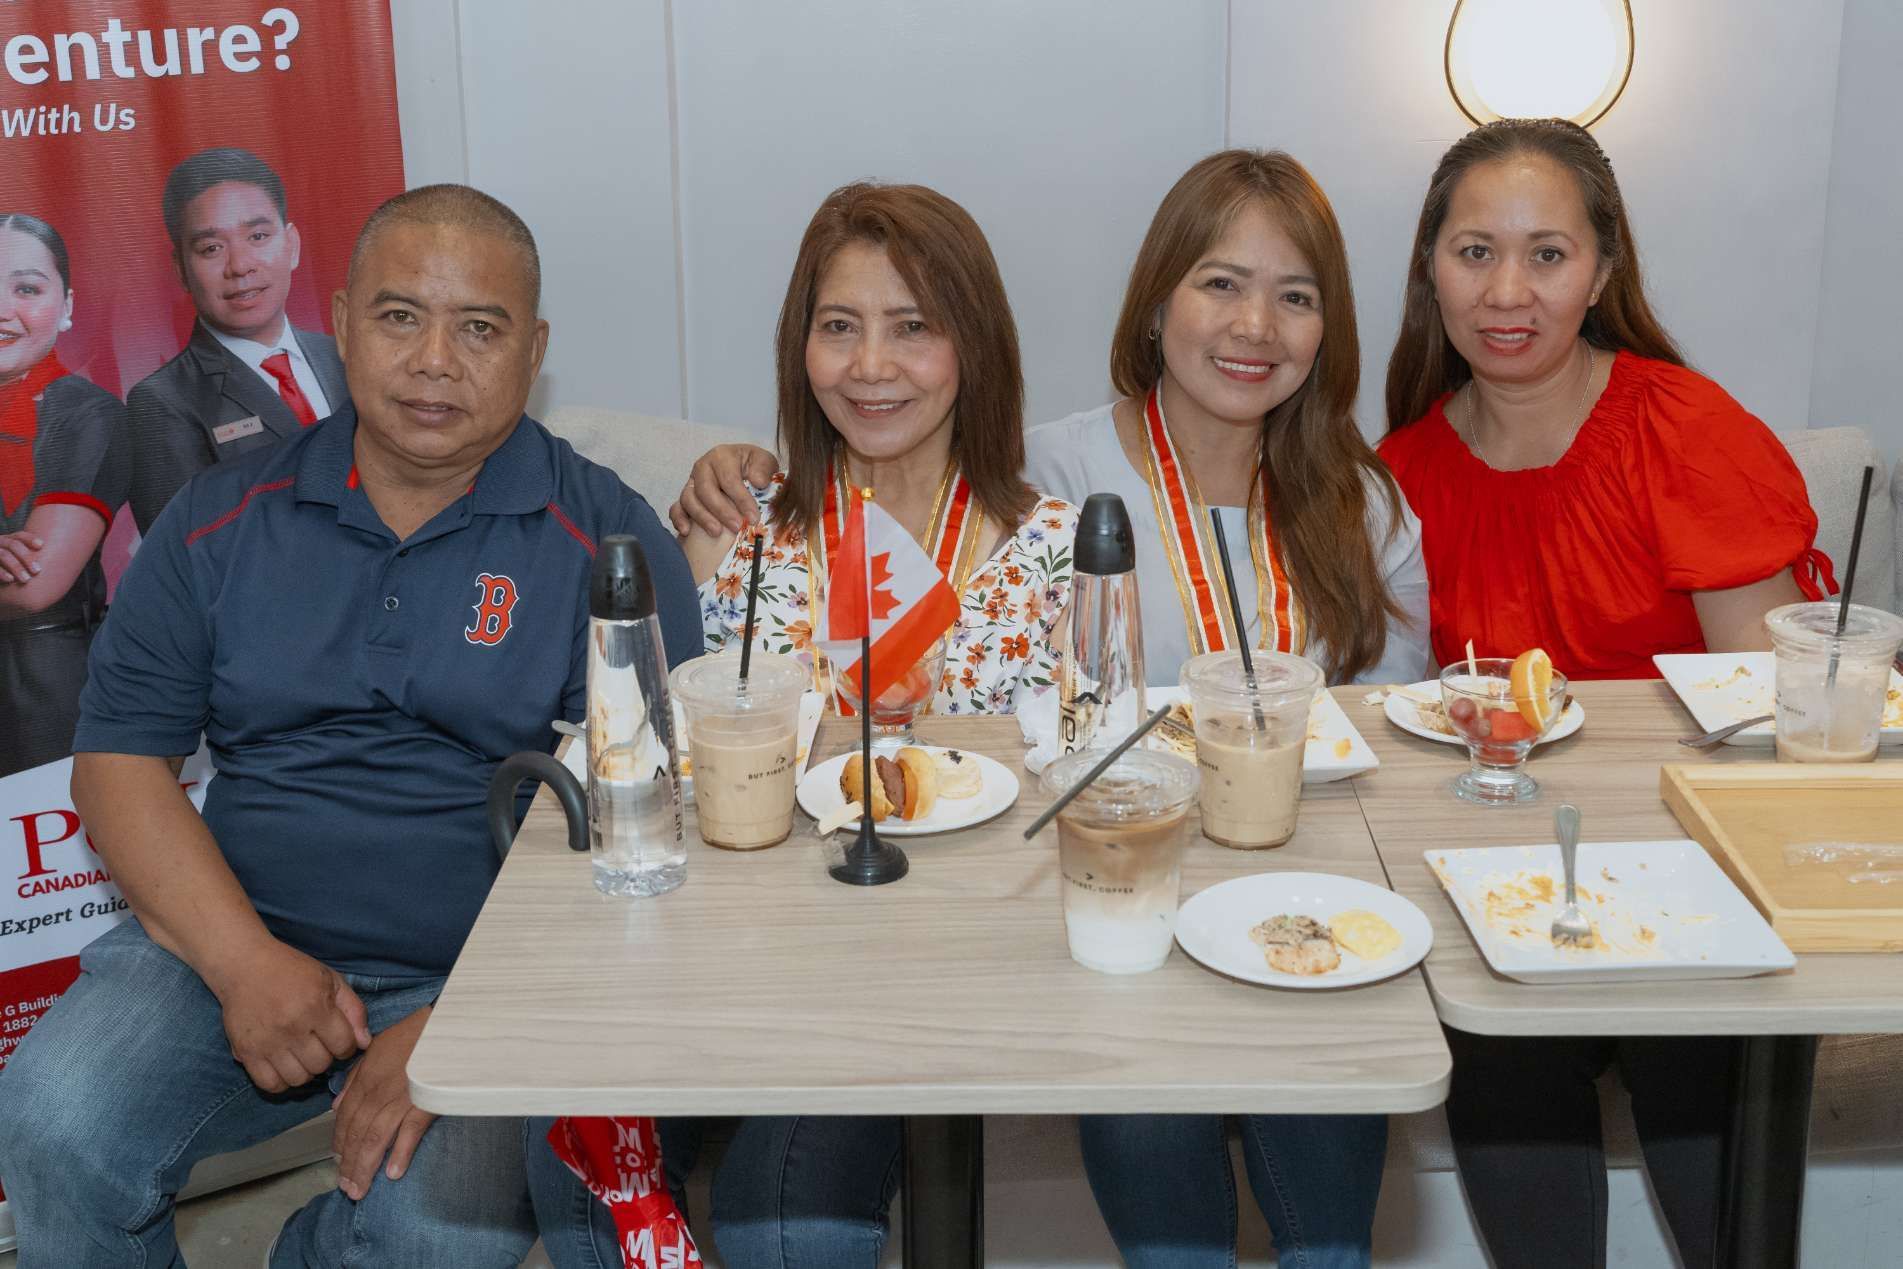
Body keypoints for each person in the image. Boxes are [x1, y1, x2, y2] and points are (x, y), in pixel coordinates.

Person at [661, 150, 1424, 1267]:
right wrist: (731, 476)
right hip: (928, 926)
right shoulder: (1042, 486)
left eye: (1293, 295)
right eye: (1219, 282)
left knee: (1322, 1184)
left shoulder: (1345, 506)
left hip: (1231, 886)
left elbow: (1386, 741)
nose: (1253, 322)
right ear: (1156, 299)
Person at [0, 184, 700, 1267]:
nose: (434, 361)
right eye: (399, 316)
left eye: (480, 328)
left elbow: (657, 835)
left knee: (429, 1233)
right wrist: (245, 966)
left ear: (534, 351)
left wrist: (469, 1016)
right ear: (338, 322)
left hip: (486, 972)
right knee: (52, 1121)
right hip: (231, 939)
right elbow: (117, 764)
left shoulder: (607, 540)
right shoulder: (219, 517)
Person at [528, 181, 1078, 1268]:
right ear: (800, 346)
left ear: (974, 344)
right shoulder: (737, 527)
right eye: (839, 326)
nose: (871, 365)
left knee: (780, 1216)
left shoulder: (1054, 551)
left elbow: (1076, 787)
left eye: (912, 326)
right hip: (736, 956)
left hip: (939, 967)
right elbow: (648, 757)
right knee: (573, 1164)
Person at [1378, 118, 1829, 1269]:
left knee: (1701, 1070)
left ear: (1602, 270)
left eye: (1547, 254)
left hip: (1696, 888)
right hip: (1501, 899)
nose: (1506, 291)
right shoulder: (1400, 477)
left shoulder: (1684, 429)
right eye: (1474, 252)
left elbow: (1772, 716)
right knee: (1495, 1050)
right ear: (1430, 268)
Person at [126, 147, 349, 533]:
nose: (240, 266)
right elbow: (185, 553)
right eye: (211, 248)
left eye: (258, 236)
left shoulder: (348, 357)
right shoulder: (161, 402)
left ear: (292, 245)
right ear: (181, 269)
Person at [0, 212, 131, 778]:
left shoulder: (89, 415)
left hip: (42, 695)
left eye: (26, 289)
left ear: (67, 305)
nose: (2, 310)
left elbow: (34, 586)